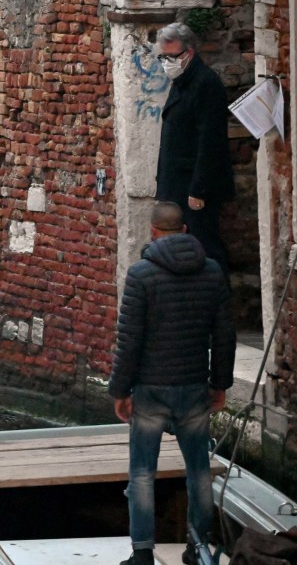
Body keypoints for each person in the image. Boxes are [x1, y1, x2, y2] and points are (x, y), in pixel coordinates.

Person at [108, 202, 236, 565]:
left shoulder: (141, 275)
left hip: (151, 389)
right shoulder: (212, 272)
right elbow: (224, 335)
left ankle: (143, 554)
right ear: (183, 230)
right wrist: (220, 384)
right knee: (198, 471)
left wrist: (119, 390)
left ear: (152, 232)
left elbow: (129, 341)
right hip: (194, 387)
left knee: (143, 474)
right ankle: (198, 547)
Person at [155, 22, 235, 278]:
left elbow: (210, 142)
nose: (167, 62)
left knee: (206, 248)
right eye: (163, 56)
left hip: (195, 188)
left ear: (188, 53)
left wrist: (198, 191)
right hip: (178, 182)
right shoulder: (182, 80)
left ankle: (218, 304)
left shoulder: (205, 84)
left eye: (171, 56)